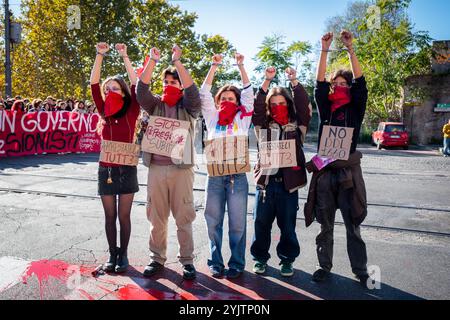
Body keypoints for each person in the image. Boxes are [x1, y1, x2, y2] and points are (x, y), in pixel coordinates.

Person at [304, 31, 370, 287]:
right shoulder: (325, 107)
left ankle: (361, 269)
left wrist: (350, 48)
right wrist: (324, 49)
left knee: (353, 225)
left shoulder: (355, 108)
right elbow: (318, 83)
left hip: (349, 174)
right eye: (336, 84)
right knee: (326, 225)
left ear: (349, 88)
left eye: (345, 84)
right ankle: (324, 266)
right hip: (326, 174)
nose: (340, 87)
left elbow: (362, 84)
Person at [136, 45, 201, 280]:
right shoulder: (155, 105)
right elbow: (140, 90)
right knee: (156, 216)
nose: (168, 86)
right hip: (156, 168)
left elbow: (193, 92)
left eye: (173, 82)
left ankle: (187, 261)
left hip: (181, 170)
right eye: (165, 82)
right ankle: (157, 259)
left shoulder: (189, 106)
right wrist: (153, 61)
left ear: (180, 86)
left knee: (184, 216)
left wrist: (177, 62)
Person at [251, 66, 311, 277]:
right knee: (261, 225)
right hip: (266, 184)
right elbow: (256, 107)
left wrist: (294, 81)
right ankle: (259, 259)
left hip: (288, 185)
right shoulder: (262, 125)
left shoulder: (297, 125)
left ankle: (287, 260)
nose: (278, 107)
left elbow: (303, 106)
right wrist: (267, 81)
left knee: (288, 226)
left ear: (288, 104)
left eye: (282, 103)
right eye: (273, 104)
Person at [200, 53, 254, 278]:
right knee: (213, 221)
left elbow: (249, 95)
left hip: (237, 178)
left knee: (237, 224)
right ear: (218, 100)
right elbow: (203, 94)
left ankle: (237, 263)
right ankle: (216, 262)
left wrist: (241, 66)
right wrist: (214, 66)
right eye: (224, 98)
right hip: (214, 177)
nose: (227, 102)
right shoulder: (211, 117)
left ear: (238, 103)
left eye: (232, 99)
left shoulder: (243, 118)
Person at [90, 42, 140, 273]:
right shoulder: (103, 111)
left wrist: (125, 57)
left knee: (124, 216)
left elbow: (136, 84)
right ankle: (112, 254)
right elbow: (93, 84)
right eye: (108, 89)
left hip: (127, 169)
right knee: (110, 216)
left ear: (123, 92)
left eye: (116, 88)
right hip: (106, 170)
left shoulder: (132, 110)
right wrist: (100, 55)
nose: (111, 92)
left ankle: (124, 255)